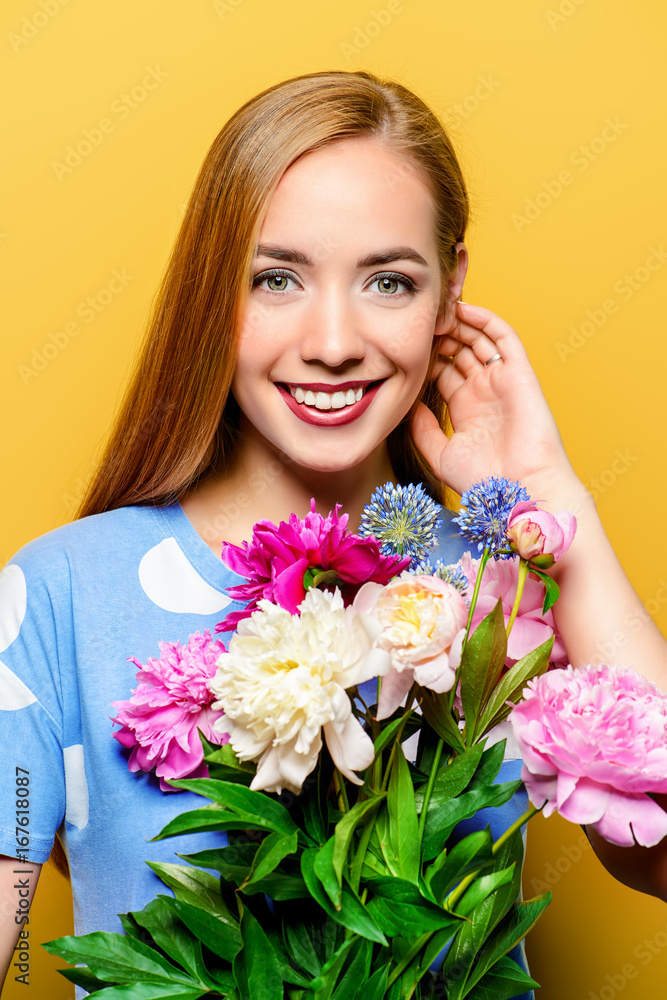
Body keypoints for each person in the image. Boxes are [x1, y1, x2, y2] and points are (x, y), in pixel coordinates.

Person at [0, 70, 665, 997]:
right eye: (276, 279)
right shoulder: (60, 596)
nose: (334, 341)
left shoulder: (496, 587)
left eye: (388, 281)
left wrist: (554, 501)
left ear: (449, 292)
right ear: (210, 290)